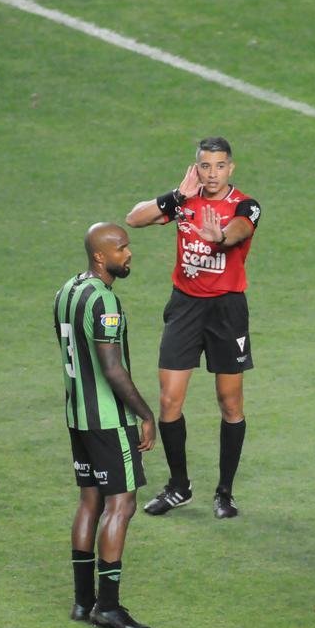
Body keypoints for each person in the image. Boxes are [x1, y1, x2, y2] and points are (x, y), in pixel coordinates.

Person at [125, 136, 262, 520]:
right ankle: (178, 487)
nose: (213, 173)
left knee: (230, 402)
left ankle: (224, 493)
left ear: (230, 168)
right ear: (195, 168)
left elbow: (239, 230)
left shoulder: (245, 205)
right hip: (185, 307)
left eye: (220, 166)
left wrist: (218, 235)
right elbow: (134, 218)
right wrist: (175, 196)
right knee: (169, 401)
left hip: (227, 310)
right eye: (205, 166)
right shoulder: (184, 200)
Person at [54, 222, 157, 628]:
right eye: (122, 248)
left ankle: (83, 602)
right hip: (108, 421)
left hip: (77, 417)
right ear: (101, 256)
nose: (129, 253)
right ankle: (108, 606)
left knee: (89, 502)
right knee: (122, 504)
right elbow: (112, 369)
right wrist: (146, 415)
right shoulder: (104, 303)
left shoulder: (67, 292)